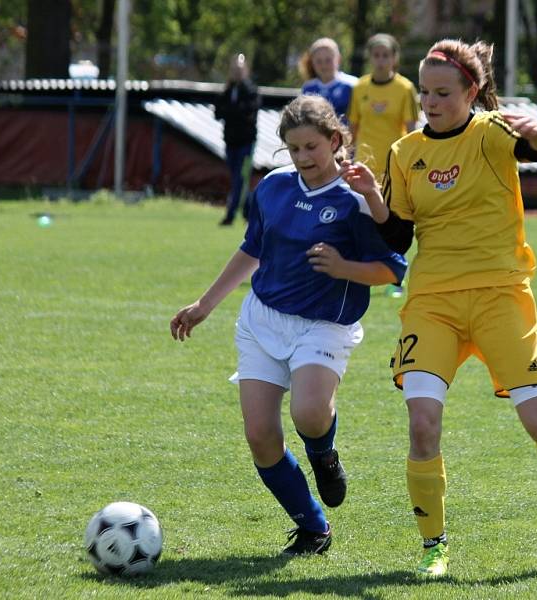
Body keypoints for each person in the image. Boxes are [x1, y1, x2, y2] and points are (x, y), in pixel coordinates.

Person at [356, 39, 537, 578]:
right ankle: (435, 549)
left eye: (443, 93)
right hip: (433, 302)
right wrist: (373, 198)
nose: (430, 102)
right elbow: (397, 238)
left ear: (471, 91)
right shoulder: (405, 152)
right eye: (426, 92)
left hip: (502, 295)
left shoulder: (493, 132)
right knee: (423, 424)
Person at [170, 95, 407, 556]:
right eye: (293, 149)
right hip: (263, 321)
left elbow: (392, 270)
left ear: (336, 141)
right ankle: (313, 528)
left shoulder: (355, 199)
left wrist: (343, 268)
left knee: (309, 415)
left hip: (324, 326)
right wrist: (205, 304)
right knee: (260, 435)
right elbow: (250, 249)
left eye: (311, 147)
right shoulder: (274, 188)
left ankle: (323, 455)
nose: (302, 159)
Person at [348, 33, 418, 300]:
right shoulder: (360, 88)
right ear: (370, 58)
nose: (380, 61)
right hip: (363, 167)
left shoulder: (405, 89)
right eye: (376, 55)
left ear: (394, 59)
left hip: (393, 167)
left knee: (393, 222)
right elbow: (352, 128)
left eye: (385, 55)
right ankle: (362, 271)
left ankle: (396, 276)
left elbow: (412, 130)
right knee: (360, 220)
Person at [215, 53, 261, 226]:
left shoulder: (250, 90)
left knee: (241, 178)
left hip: (246, 143)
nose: (236, 73)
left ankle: (231, 215)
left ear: (246, 70)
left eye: (239, 69)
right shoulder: (227, 91)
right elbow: (218, 112)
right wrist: (233, 110)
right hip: (230, 142)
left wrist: (232, 111)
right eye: (234, 69)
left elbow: (248, 113)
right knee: (237, 178)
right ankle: (249, 212)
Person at [300, 37, 358, 122]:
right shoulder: (308, 88)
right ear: (312, 62)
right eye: (319, 61)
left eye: (328, 60)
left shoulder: (353, 84)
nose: (324, 65)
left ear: (338, 59)